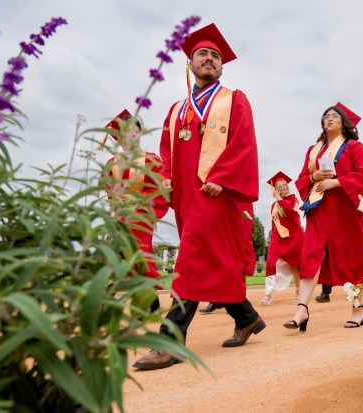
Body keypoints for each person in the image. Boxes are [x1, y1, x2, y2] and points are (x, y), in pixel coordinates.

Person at [134, 23, 265, 370]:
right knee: (214, 262)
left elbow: (243, 143)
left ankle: (170, 341)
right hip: (188, 200)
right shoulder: (176, 110)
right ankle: (247, 318)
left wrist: (222, 178)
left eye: (216, 56)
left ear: (222, 66)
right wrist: (164, 187)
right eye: (203, 54)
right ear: (190, 63)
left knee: (189, 261)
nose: (209, 59)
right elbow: (166, 157)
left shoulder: (234, 100)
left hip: (217, 194)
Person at [284, 102, 363, 331]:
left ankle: (358, 308)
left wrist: (337, 181)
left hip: (345, 211)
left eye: (334, 115)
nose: (329, 118)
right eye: (325, 116)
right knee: (311, 257)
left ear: (344, 122)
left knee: (351, 259)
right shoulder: (313, 150)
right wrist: (314, 176)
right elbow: (301, 179)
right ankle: (302, 308)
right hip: (318, 210)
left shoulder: (355, 147)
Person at [103, 109, 169, 313]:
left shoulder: (151, 160)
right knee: (121, 259)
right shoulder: (111, 165)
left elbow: (159, 190)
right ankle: (147, 306)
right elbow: (109, 193)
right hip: (120, 217)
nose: (129, 135)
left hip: (142, 216)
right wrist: (115, 196)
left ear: (140, 132)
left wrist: (139, 205)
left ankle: (112, 298)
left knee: (139, 258)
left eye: (133, 130)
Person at [199, 202, 255, 313]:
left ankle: (238, 301)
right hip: (223, 208)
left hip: (240, 208)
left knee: (239, 256)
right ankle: (216, 300)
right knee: (217, 256)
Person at [261, 171, 303, 306]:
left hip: (294, 238)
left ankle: (298, 292)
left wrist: (279, 197)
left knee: (295, 266)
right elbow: (274, 224)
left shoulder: (293, 199)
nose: (283, 188)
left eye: (284, 185)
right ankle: (267, 295)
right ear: (275, 189)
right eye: (279, 187)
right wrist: (273, 238)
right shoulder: (274, 206)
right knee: (271, 263)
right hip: (278, 238)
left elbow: (290, 210)